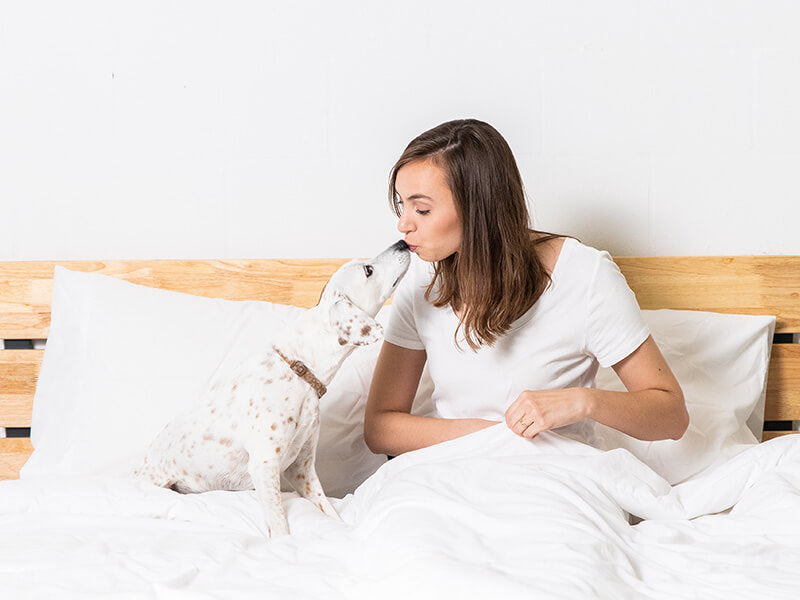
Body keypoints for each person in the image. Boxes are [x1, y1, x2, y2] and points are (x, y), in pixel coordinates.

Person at [364, 118, 689, 458]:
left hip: (552, 476)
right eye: (402, 205)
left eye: (423, 209)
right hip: (452, 470)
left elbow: (671, 417)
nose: (403, 224)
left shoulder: (584, 273)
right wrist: (498, 438)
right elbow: (381, 427)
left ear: (479, 207)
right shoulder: (422, 276)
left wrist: (583, 402)